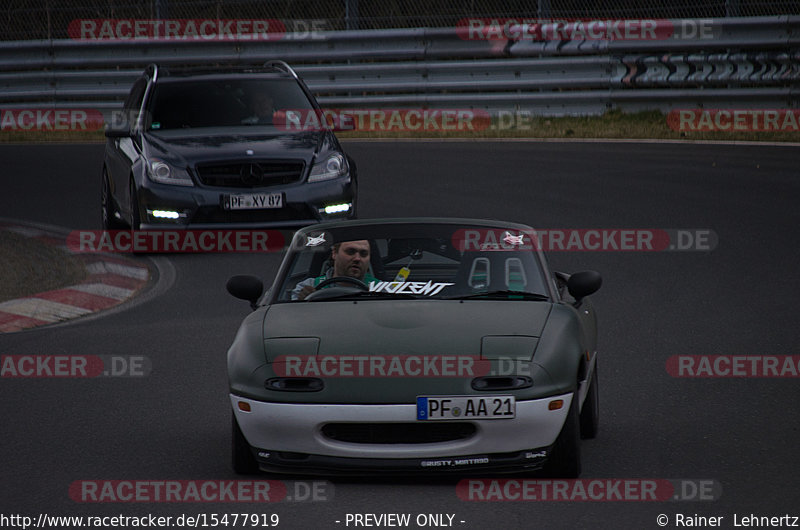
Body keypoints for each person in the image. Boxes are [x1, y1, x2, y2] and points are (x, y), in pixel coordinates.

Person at [292, 239, 379, 300]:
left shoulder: (381, 290)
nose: (357, 258)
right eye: (350, 252)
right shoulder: (309, 287)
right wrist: (302, 301)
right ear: (334, 253)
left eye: (363, 254)